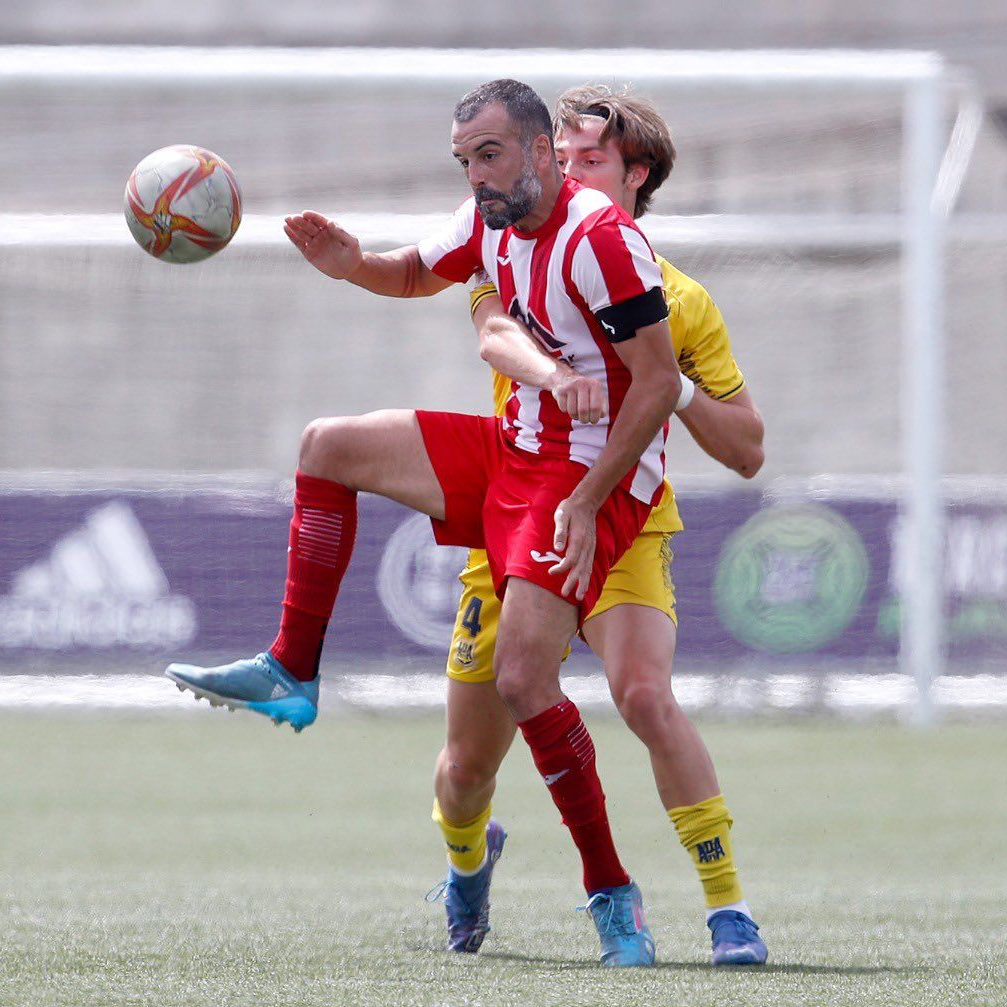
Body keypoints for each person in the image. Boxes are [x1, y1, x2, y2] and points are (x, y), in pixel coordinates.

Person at [166, 78, 678, 967]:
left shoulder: (603, 240)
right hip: (515, 449)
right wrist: (351, 263)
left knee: (524, 681)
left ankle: (610, 891)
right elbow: (413, 272)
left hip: (585, 476)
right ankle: (293, 667)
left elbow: (661, 384)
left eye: (489, 155)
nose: (476, 176)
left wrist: (590, 498)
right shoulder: (487, 219)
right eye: (463, 161)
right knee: (327, 445)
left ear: (542, 152)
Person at [427, 84, 768, 967]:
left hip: (622, 519)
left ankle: (728, 908)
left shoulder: (679, 301)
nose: (562, 171)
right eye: (560, 155)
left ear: (635, 175)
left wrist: (671, 385)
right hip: (514, 520)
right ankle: (467, 864)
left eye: (586, 159)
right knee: (465, 769)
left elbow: (748, 449)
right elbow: (489, 325)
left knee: (646, 696)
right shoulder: (502, 240)